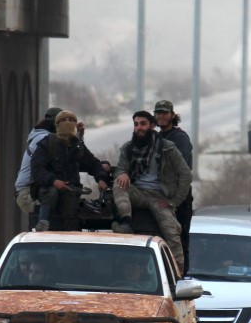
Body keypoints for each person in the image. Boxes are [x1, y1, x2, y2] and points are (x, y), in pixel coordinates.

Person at [111, 111, 192, 272]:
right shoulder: (128, 148)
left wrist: (174, 202)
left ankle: (178, 275)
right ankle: (126, 222)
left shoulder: (167, 147)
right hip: (138, 193)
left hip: (159, 196)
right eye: (136, 124)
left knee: (172, 234)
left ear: (152, 125)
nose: (139, 128)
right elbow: (120, 168)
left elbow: (185, 174)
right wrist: (122, 173)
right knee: (119, 183)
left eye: (143, 124)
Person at [31, 110, 109, 232]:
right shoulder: (47, 143)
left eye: (71, 120)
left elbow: (93, 164)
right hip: (49, 188)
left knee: (72, 213)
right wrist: (54, 181)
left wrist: (101, 179)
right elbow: (37, 170)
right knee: (51, 193)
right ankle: (42, 224)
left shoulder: (77, 146)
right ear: (56, 125)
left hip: (70, 190)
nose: (67, 123)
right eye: (63, 120)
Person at [14, 107, 86, 230]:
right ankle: (43, 224)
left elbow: (75, 157)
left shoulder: (41, 136)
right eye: (63, 121)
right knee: (56, 193)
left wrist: (78, 136)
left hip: (25, 192)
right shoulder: (46, 140)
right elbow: (69, 160)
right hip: (28, 194)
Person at [153, 100, 194, 275]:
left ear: (172, 115)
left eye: (164, 113)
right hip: (159, 194)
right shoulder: (154, 137)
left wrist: (175, 200)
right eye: (158, 113)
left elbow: (183, 169)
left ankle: (181, 277)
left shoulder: (179, 138)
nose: (161, 116)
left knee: (179, 239)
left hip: (179, 197)